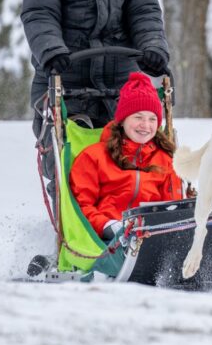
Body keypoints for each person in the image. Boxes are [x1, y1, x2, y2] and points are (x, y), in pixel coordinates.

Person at [21, 0, 170, 210]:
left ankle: (135, 218)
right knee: (77, 158)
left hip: (120, 80)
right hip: (65, 76)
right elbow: (38, 14)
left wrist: (154, 48)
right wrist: (52, 51)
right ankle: (77, 229)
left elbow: (145, 12)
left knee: (133, 150)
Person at [69, 72, 183, 240]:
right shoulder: (93, 157)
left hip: (152, 236)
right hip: (106, 238)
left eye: (152, 119)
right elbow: (81, 206)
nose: (145, 125)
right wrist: (107, 225)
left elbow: (171, 208)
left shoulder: (164, 160)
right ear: (122, 120)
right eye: (138, 117)